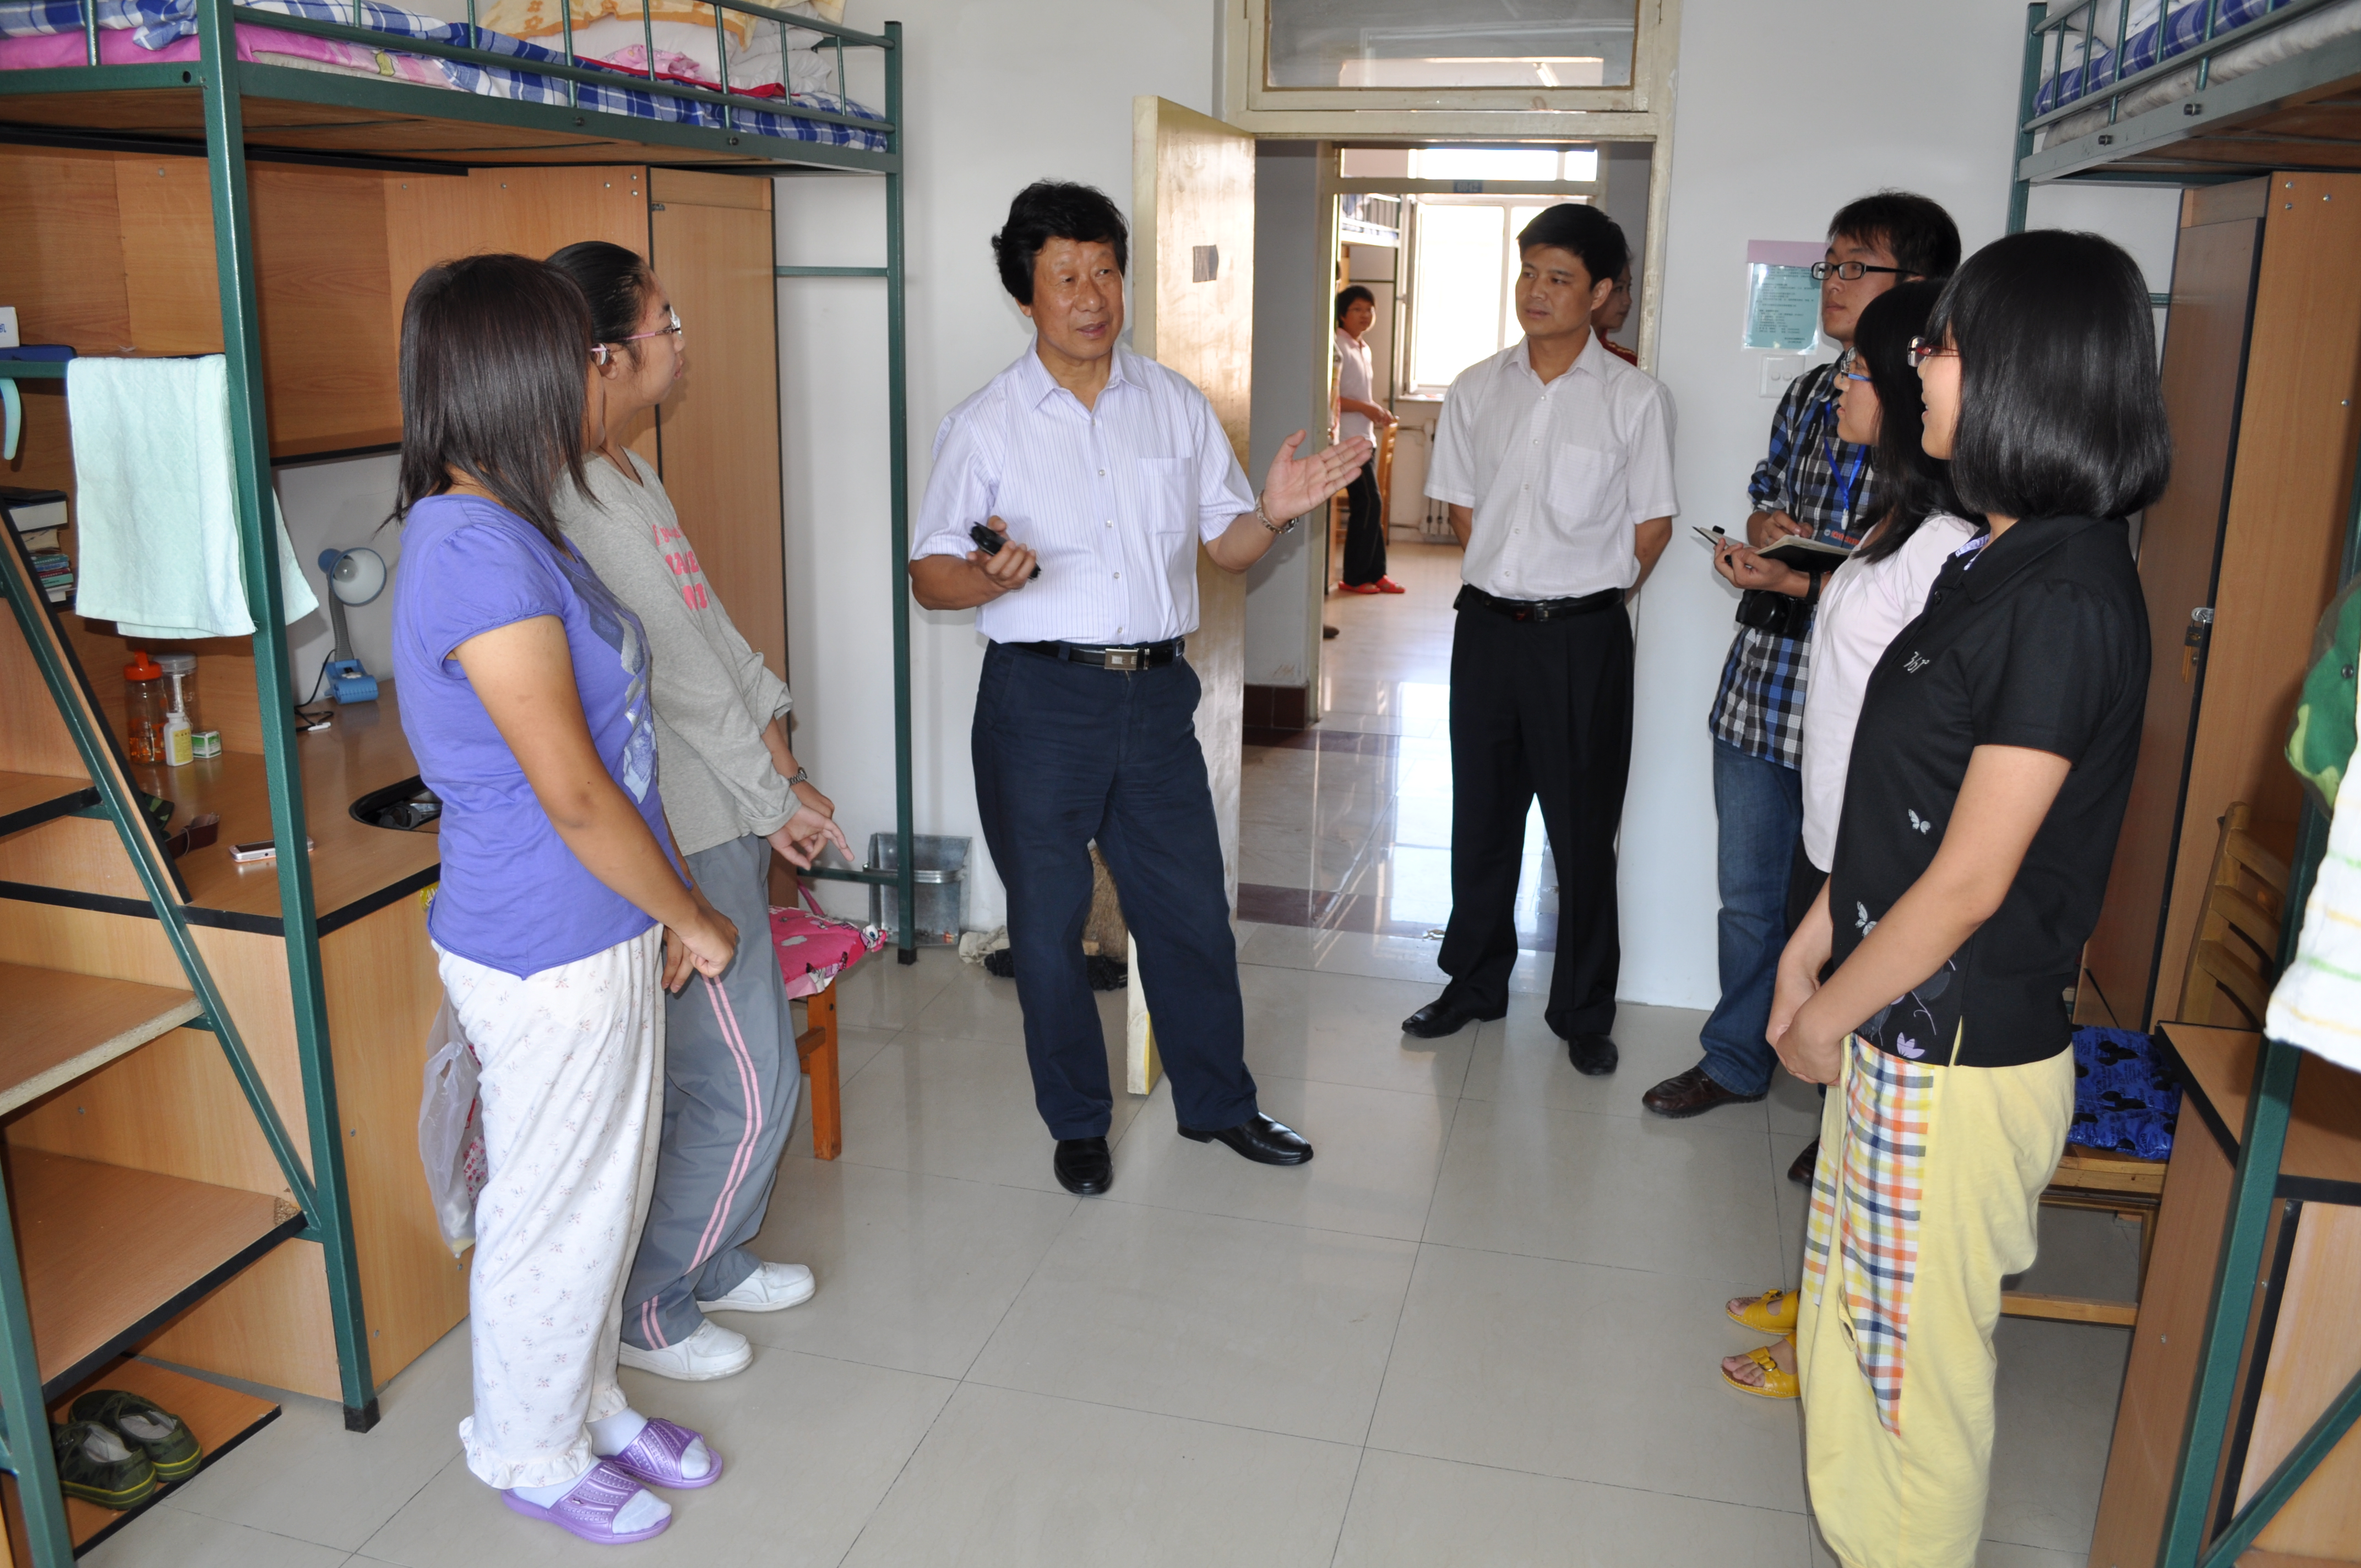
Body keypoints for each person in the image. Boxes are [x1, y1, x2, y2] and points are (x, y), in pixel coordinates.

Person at [1776, 230, 2166, 1567]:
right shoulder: (1990, 556)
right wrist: (1811, 940)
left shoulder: (2066, 592)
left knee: (1912, 1390)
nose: (1917, 368)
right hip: (1898, 1019)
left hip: (1951, 1046)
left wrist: (1825, 1011)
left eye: (1939, 346)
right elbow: (1906, 800)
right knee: (1853, 1334)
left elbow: (1969, 876)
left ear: (2021, 372)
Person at [909, 181, 1370, 1196]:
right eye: (1066, 276)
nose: (1092, 296)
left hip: (1156, 699)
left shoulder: (1173, 402)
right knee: (1048, 925)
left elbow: (1225, 546)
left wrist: (1274, 512)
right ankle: (1078, 1122)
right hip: (1038, 702)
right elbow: (929, 576)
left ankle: (1219, 1103)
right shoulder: (984, 424)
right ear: (1024, 297)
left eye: (1107, 272)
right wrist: (987, 577)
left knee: (1190, 912)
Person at [389, 253, 738, 1544]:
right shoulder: (470, 549)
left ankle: (585, 1400)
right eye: (578, 353)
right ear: (513, 372)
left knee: (607, 1195)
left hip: (602, 923)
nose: (598, 372)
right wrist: (692, 916)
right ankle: (528, 1448)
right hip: (544, 943)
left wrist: (663, 904)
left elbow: (617, 756)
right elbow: (575, 792)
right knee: (553, 1213)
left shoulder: (517, 519)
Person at [545, 240, 849, 1384]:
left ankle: (711, 1257)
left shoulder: (625, 470)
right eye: (663, 322)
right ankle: (651, 1302)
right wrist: (771, 797)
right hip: (680, 824)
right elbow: (675, 677)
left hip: (724, 804)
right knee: (746, 1078)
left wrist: (781, 761)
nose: (679, 340)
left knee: (730, 1068)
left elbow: (709, 628)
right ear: (603, 353)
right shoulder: (571, 497)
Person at [1706, 280, 1974, 1400]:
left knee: (1871, 1112)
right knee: (1843, 1103)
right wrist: (1787, 577)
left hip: (1882, 859)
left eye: (1861, 371)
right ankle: (1819, 1288)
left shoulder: (1948, 544)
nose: (1841, 389)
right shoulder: (1893, 522)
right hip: (1838, 845)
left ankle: (1839, 1339)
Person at [1643, 192, 1960, 1129]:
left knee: (1858, 913)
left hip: (1864, 711)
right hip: (1765, 687)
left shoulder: (1944, 425)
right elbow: (1763, 494)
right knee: (1749, 902)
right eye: (1829, 264)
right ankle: (1737, 1059)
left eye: (1856, 266)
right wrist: (1763, 532)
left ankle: (1841, 1111)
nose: (1832, 282)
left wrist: (1803, 578)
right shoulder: (1812, 393)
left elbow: (1916, 595)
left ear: (1921, 285)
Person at [1399, 203, 1678, 1072]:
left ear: (1601, 294)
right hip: (1488, 632)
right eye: (1529, 273)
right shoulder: (1477, 387)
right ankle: (1474, 982)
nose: (1537, 292)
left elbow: (1653, 527)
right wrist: (1515, 585)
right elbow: (1465, 511)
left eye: (1560, 278)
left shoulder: (1635, 399)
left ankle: (1583, 1008)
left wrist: (1584, 599)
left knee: (1582, 832)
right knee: (1481, 818)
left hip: (1581, 641)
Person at [1333, 284, 1401, 595]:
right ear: (1342, 315)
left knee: (1374, 504)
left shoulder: (1363, 347)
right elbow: (1333, 399)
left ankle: (1376, 573)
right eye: (1357, 309)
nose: (1365, 315)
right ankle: (1354, 577)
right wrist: (1366, 408)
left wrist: (1376, 411)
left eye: (1369, 310)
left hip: (1364, 437)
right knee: (1368, 502)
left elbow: (1360, 395)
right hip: (1346, 440)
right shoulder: (1337, 346)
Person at [1596, 265, 1640, 366]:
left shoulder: (1627, 363)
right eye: (1618, 289)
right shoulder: (1560, 356)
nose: (1628, 301)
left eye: (1628, 288)